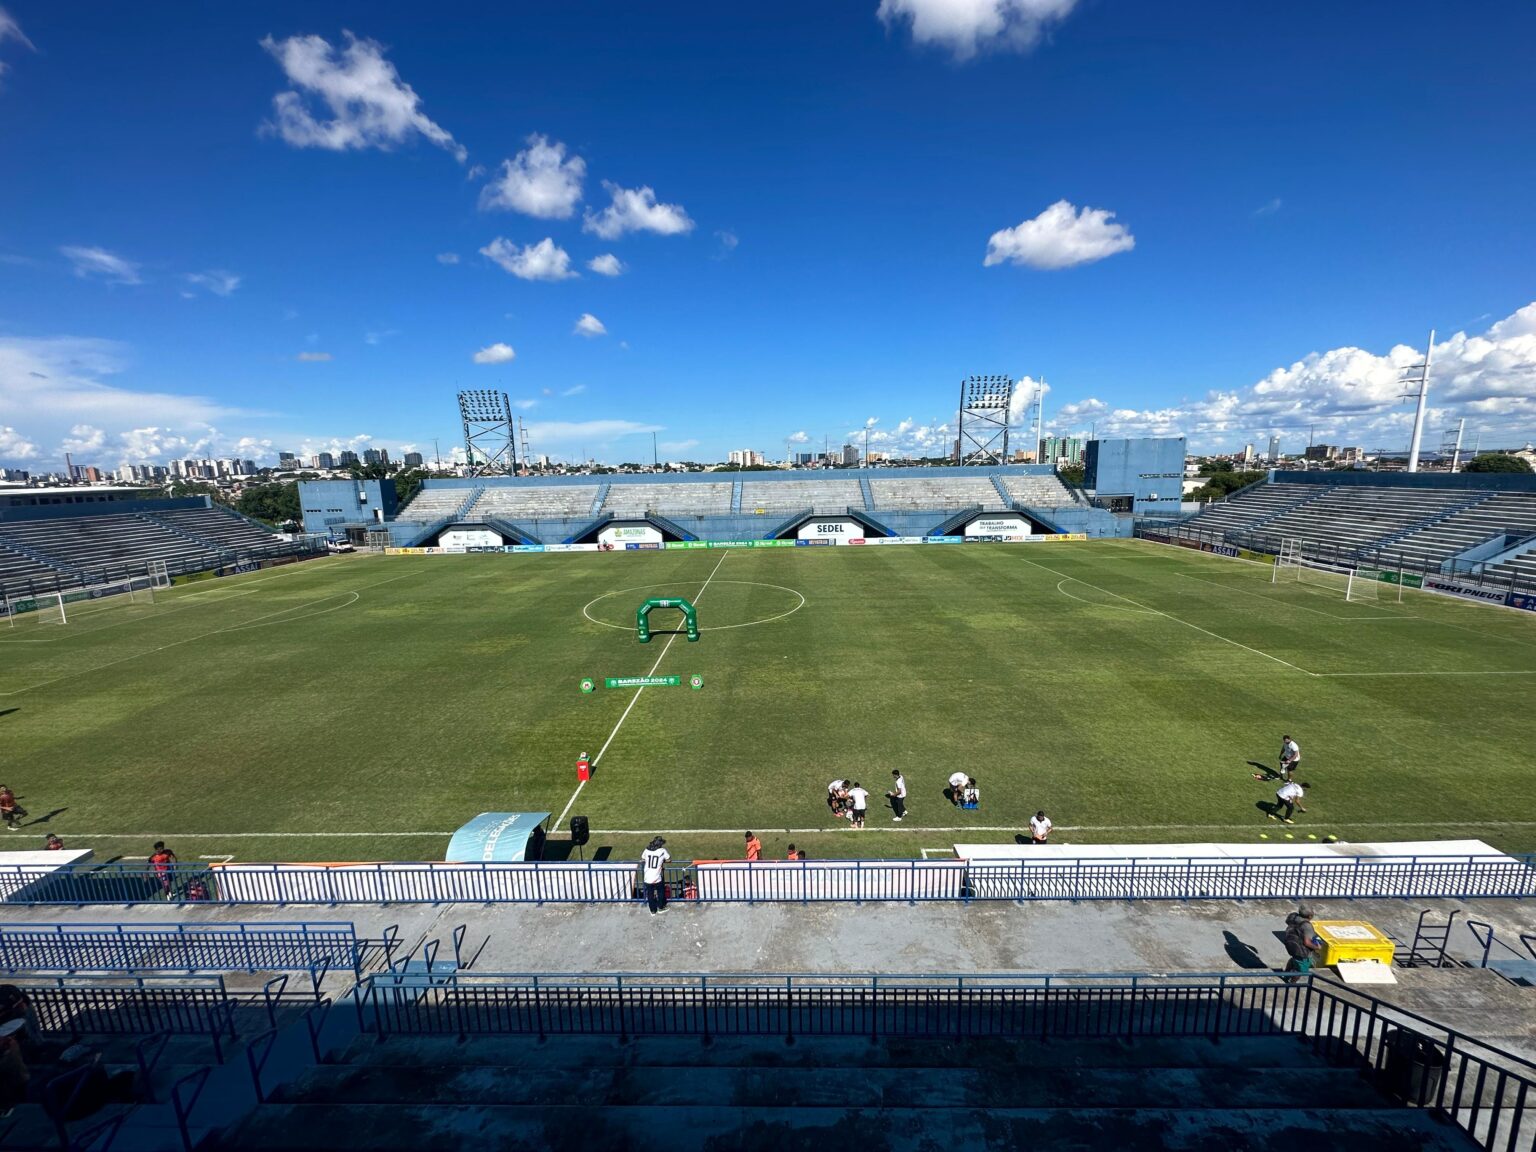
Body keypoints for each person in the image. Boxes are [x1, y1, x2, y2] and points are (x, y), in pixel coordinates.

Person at [1283, 906, 1323, 978]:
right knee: (1301, 970)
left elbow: (1287, 922)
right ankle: (1291, 983)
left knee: (1294, 960)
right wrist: (1317, 947)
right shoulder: (1307, 926)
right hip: (1301, 950)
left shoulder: (1293, 916)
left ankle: (1286, 975)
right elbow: (1307, 943)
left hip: (1291, 943)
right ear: (1310, 916)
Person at [640, 836, 670, 915]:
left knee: (650, 894)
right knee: (661, 892)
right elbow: (669, 859)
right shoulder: (662, 851)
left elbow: (643, 858)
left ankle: (653, 910)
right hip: (656, 877)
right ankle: (660, 907)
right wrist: (662, 860)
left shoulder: (647, 850)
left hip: (647, 877)